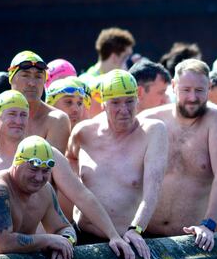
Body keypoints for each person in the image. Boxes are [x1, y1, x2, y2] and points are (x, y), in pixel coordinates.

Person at [0, 91, 138, 259]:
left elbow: (78, 202)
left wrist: (107, 236)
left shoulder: (46, 174)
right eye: (12, 114)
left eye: (45, 170)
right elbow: (2, 244)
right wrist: (50, 240)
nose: (39, 177)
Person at [68, 70, 169, 249]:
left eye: (129, 101)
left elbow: (153, 189)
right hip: (82, 236)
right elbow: (69, 161)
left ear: (137, 99)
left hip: (126, 238)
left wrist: (136, 229)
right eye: (115, 103)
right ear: (104, 104)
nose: (124, 110)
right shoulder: (83, 132)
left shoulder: (153, 132)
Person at [142, 59, 217, 250]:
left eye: (199, 90)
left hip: (192, 238)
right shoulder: (150, 119)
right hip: (143, 233)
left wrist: (209, 225)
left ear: (209, 88)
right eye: (186, 90)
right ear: (174, 87)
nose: (192, 97)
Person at [8, 51, 71, 152]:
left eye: (38, 77)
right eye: (25, 75)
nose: (32, 83)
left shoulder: (56, 120)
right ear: (11, 78)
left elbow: (49, 166)